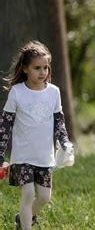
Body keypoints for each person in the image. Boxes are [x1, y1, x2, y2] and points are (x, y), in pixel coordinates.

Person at [0, 41, 73, 230]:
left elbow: (59, 120)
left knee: (44, 197)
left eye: (46, 67)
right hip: (22, 155)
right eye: (37, 68)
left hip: (44, 156)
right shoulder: (17, 92)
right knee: (27, 194)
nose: (42, 72)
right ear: (25, 69)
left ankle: (22, 218)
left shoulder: (53, 92)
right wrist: (0, 153)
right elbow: (6, 124)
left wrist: (64, 141)